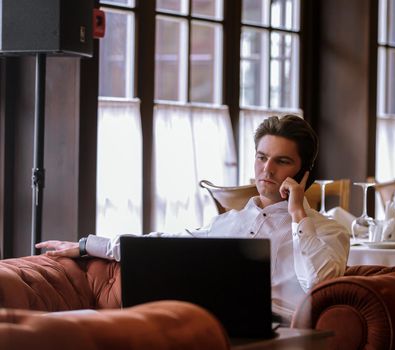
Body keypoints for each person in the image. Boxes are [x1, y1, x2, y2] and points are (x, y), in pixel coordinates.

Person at [37, 115, 350, 321]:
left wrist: (298, 215)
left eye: (282, 161)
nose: (267, 170)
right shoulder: (228, 223)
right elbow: (164, 245)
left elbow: (320, 284)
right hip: (212, 325)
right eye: (261, 157)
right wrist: (86, 244)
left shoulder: (329, 231)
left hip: (282, 333)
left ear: (305, 173)